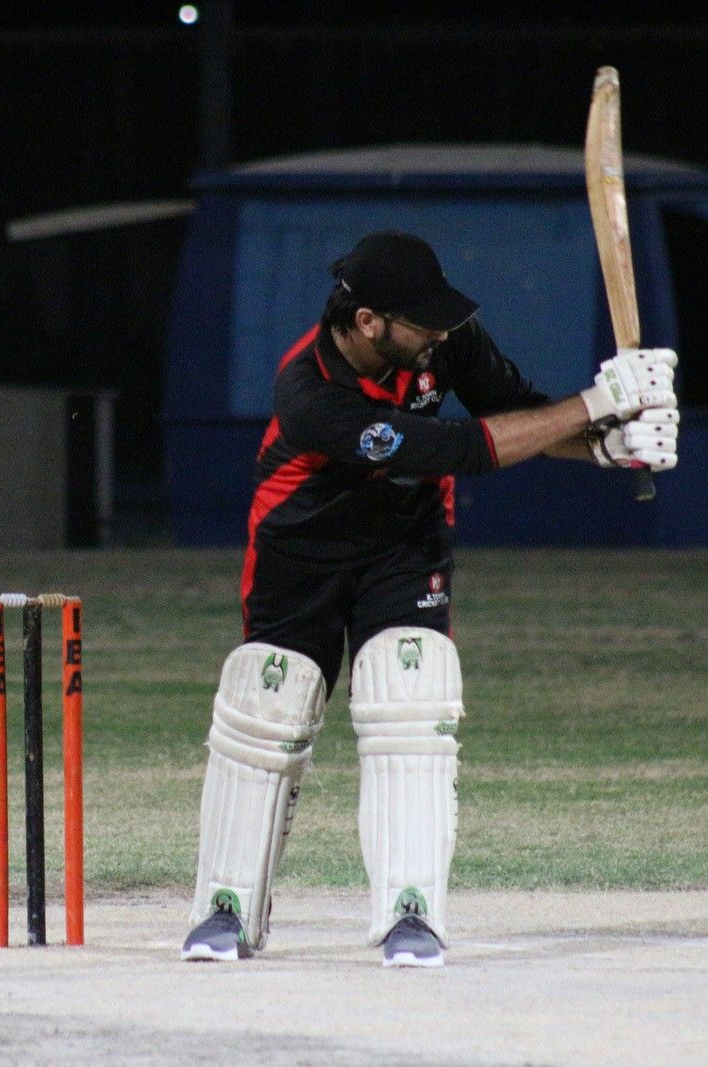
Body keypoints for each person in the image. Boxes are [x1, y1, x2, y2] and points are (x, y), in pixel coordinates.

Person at [180, 230, 679, 967]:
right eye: (422, 322)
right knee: (267, 700)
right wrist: (598, 403)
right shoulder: (309, 391)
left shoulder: (443, 343)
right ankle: (225, 908)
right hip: (300, 550)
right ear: (367, 323)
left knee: (411, 690)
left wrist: (609, 443)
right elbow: (454, 448)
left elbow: (517, 414)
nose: (440, 334)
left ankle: (408, 914)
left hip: (403, 547)